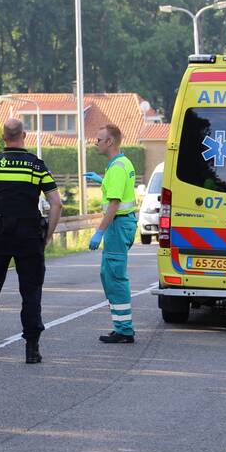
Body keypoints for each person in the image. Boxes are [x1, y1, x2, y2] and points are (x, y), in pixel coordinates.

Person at [0, 118, 63, 364]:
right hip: (30, 237)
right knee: (31, 292)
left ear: (2, 136)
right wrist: (48, 235)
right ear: (24, 136)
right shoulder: (36, 166)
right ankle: (32, 349)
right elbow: (56, 203)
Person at [86, 124, 138, 344]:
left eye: (98, 139)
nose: (95, 143)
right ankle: (121, 326)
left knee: (115, 277)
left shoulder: (116, 167)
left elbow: (114, 204)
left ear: (110, 142)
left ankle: (124, 329)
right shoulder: (121, 163)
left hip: (117, 225)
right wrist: (102, 180)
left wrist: (99, 232)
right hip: (122, 225)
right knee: (109, 274)